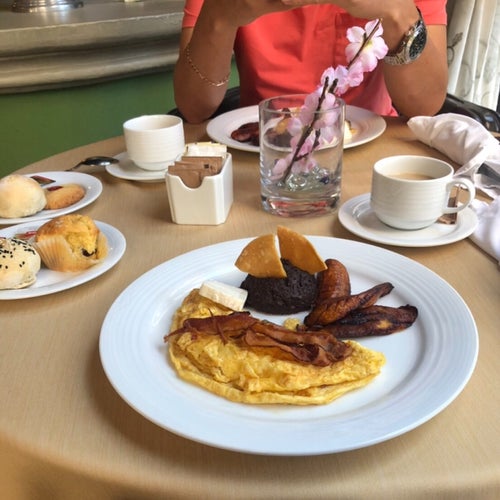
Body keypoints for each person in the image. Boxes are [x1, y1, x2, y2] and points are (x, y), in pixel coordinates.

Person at [174, 0, 448, 123]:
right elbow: (194, 108)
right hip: (260, 149)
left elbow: (425, 106)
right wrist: (218, 15)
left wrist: (398, 12)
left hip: (375, 148)